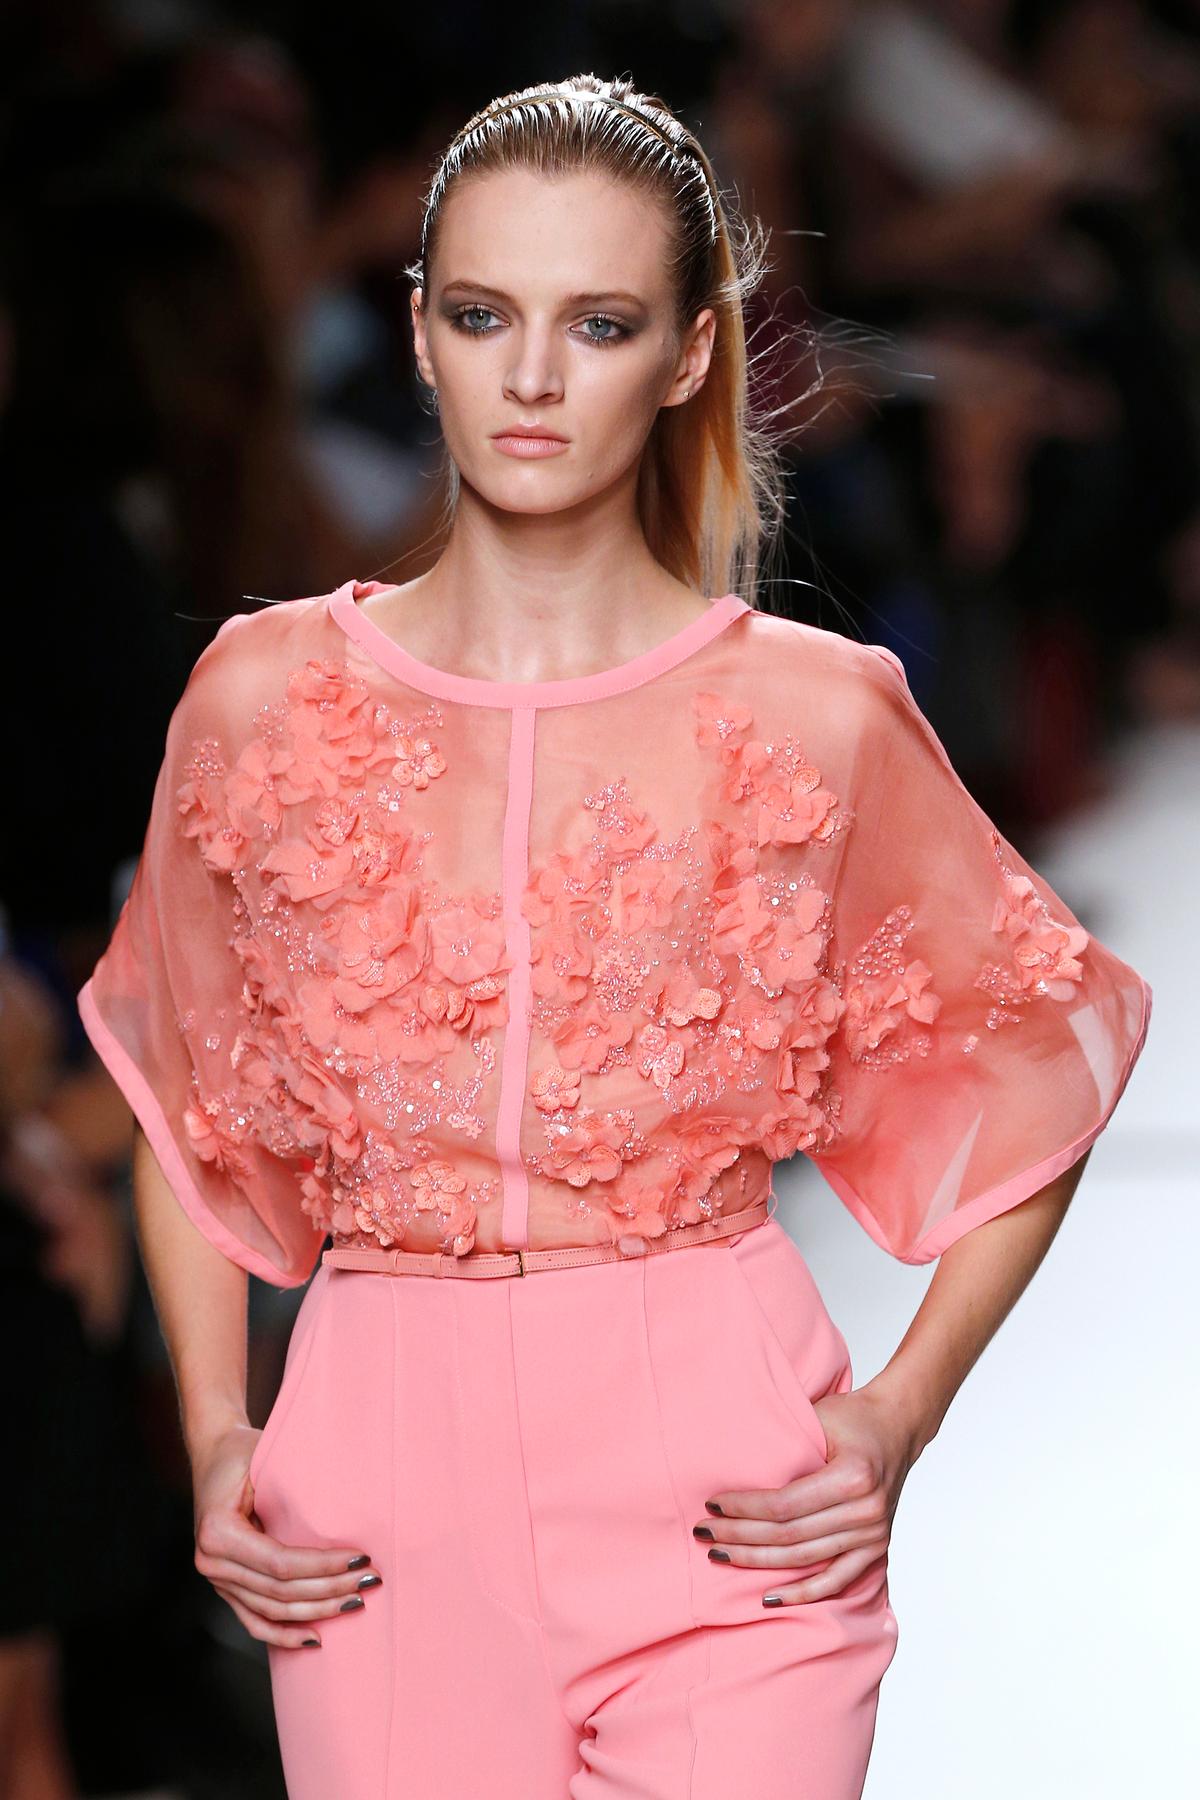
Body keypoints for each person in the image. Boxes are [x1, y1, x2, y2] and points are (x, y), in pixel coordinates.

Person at [76, 74, 1152, 1800]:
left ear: (686, 354)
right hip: (379, 1499)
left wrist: (899, 1411)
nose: (531, 375)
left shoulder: (813, 713)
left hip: (721, 1477)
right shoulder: (263, 699)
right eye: (483, 314)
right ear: (417, 333)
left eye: (598, 323)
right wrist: (217, 1439)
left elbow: (1034, 1053)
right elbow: (185, 1100)